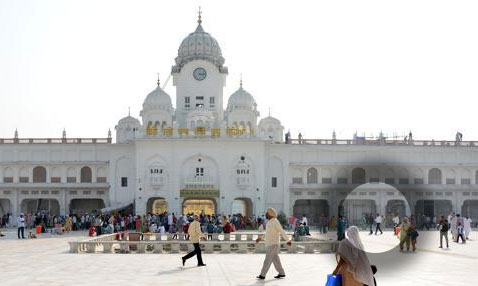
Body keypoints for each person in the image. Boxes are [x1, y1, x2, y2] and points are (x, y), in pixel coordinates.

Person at [255, 208, 291, 280]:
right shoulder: (270, 222)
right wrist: (261, 238)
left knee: (267, 260)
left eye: (267, 213)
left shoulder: (275, 221)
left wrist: (287, 240)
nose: (266, 214)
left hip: (273, 244)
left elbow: (281, 231)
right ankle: (281, 273)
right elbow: (268, 233)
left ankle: (262, 275)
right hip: (270, 243)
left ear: (270, 214)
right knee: (276, 260)